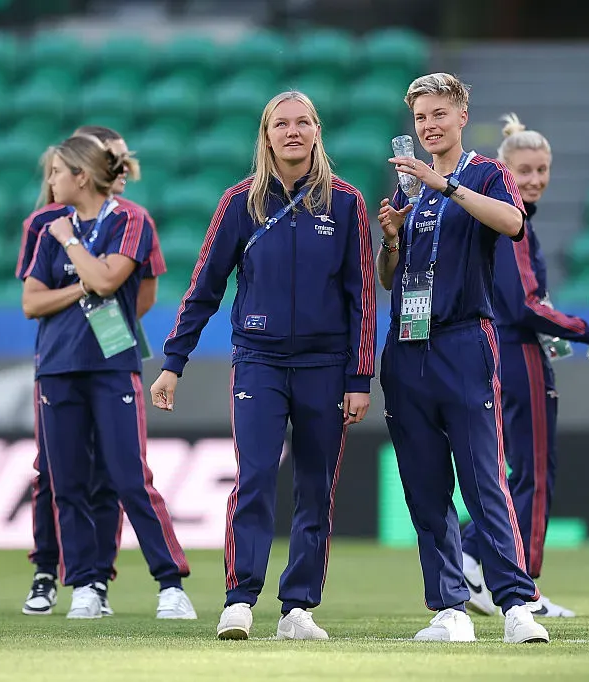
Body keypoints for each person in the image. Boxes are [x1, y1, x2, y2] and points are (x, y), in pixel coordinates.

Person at [149, 91, 376, 641]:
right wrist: (172, 361)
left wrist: (359, 377)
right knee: (252, 477)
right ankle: (240, 599)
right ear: (266, 135)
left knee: (316, 486)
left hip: (326, 366)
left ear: (317, 131)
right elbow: (204, 286)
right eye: (281, 124)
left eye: (302, 123)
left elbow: (362, 298)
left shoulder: (346, 204)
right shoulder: (239, 204)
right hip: (259, 362)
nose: (292, 132)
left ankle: (298, 608)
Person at [377, 73, 549, 644]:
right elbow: (388, 279)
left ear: (461, 117)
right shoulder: (408, 187)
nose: (428, 126)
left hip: (462, 342)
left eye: (438, 115)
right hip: (407, 344)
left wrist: (444, 185)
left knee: (482, 479)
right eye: (421, 117)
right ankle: (449, 608)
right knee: (424, 485)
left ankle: (515, 605)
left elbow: (513, 222)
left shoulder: (483, 173)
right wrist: (393, 238)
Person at [21, 134, 194, 620]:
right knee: (67, 482)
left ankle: (170, 584)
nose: (50, 181)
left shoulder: (129, 220)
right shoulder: (45, 225)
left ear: (80, 176)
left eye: (57, 172)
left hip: (111, 362)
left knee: (128, 477)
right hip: (56, 365)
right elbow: (32, 301)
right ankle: (85, 585)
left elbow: (110, 282)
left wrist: (73, 248)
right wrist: (81, 285)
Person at [458, 114, 589, 619]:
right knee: (534, 473)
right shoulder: (512, 224)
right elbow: (526, 305)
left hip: (496, 350)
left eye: (542, 170)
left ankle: (470, 553)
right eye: (524, 170)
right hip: (516, 351)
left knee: (510, 472)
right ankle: (522, 586)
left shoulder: (505, 219)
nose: (534, 180)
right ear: (504, 171)